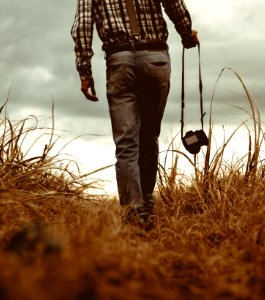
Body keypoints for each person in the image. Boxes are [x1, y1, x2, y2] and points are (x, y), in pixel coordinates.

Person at [71, 0, 199, 227]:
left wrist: (85, 71)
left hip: (120, 62)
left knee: (126, 144)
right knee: (149, 136)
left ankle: (133, 215)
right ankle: (147, 205)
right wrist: (187, 33)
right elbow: (174, 4)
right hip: (156, 58)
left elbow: (82, 26)